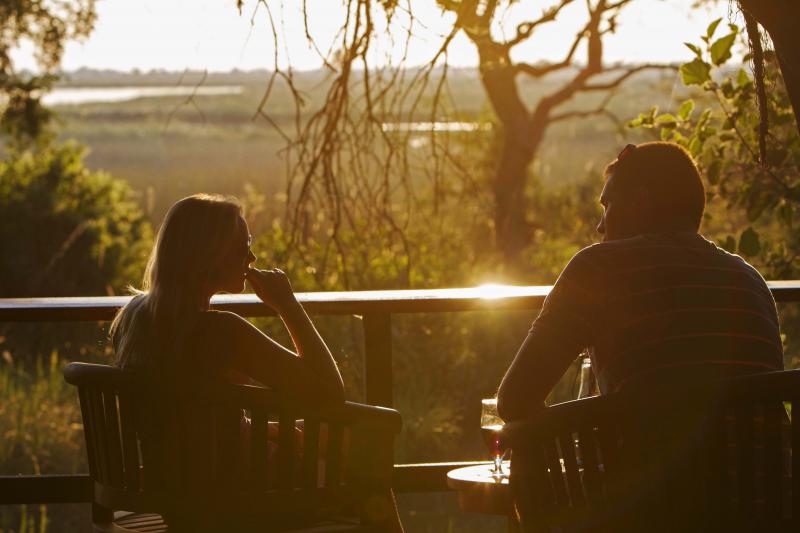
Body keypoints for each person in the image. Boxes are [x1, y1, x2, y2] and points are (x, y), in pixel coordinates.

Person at [109, 194, 402, 531]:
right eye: (243, 246)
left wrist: (284, 432)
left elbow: (195, 421)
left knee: (338, 435)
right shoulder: (221, 332)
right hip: (242, 500)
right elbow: (329, 393)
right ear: (211, 256)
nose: (252, 256)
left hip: (174, 495)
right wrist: (288, 306)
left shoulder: (133, 320)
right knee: (367, 455)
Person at [497, 142, 784, 422]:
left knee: (524, 445)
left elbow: (513, 402)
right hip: (764, 471)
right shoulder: (750, 282)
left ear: (640, 202)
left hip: (650, 471)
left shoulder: (599, 268)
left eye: (608, 204)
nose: (600, 226)